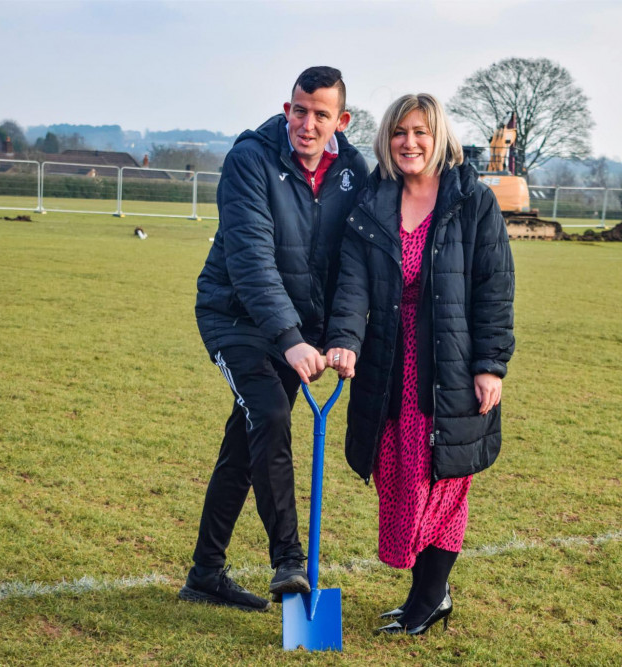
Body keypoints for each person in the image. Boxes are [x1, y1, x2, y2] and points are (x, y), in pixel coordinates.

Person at [325, 93, 514, 634]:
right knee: (398, 476)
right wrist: (344, 339)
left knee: (443, 480)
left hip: (451, 363)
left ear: (439, 138)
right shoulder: (373, 201)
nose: (410, 143)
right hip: (388, 363)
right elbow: (351, 282)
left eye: (420, 132)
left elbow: (494, 288)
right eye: (400, 133)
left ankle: (429, 598)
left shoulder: (472, 200)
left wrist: (490, 365)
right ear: (387, 140)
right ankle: (431, 592)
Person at [181, 66, 368, 612]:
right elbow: (250, 259)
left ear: (342, 120)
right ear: (287, 108)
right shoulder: (250, 160)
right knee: (269, 415)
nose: (306, 125)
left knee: (246, 444)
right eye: (299, 110)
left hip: (300, 333)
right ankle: (290, 560)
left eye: (321, 115)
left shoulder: (353, 172)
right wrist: (289, 337)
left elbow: (351, 269)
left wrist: (342, 337)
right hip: (235, 317)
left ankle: (205, 572)